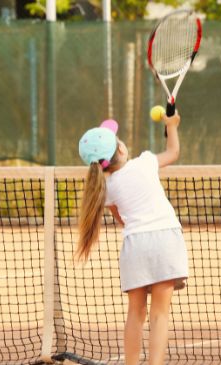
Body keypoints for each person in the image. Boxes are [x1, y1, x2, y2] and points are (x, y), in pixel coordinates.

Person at [75, 113, 188, 365]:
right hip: (166, 240)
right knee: (160, 315)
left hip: (135, 247)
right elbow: (173, 151)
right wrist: (171, 126)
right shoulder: (145, 162)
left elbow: (123, 220)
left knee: (135, 314)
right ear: (122, 148)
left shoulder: (106, 190)